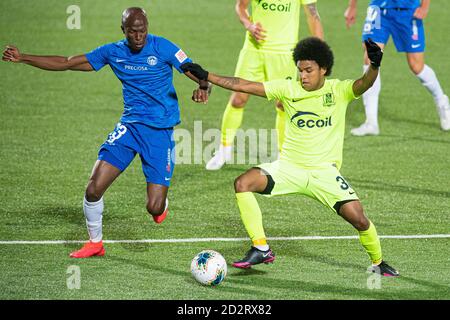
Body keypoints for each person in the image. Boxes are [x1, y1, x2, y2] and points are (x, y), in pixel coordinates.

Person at [182, 37, 399, 276]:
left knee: (359, 219)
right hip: (289, 169)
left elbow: (364, 84)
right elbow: (243, 85)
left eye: (308, 71)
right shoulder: (288, 89)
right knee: (243, 183)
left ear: (323, 69)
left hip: (324, 173)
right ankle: (261, 247)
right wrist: (207, 75)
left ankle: (378, 263)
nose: (303, 76)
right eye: (300, 71)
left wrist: (375, 66)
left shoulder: (339, 90)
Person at [2, 7, 209, 258]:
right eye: (133, 31)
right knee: (93, 189)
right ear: (123, 31)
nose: (139, 36)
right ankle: (95, 243)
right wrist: (23, 57)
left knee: (154, 207)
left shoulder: (163, 47)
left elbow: (191, 66)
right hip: (129, 128)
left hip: (159, 132)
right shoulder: (113, 52)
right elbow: (67, 63)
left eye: (142, 30)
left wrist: (203, 86)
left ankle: (160, 205)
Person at [206, 0, 324, 170]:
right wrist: (249, 25)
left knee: (283, 105)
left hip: (285, 54)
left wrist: (320, 52)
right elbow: (241, 6)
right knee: (238, 99)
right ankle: (224, 150)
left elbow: (312, 14)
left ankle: (283, 157)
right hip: (254, 51)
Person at [345, 0, 450, 135]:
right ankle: (371, 122)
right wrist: (352, 6)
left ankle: (441, 101)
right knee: (371, 57)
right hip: (378, 10)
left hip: (407, 12)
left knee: (416, 66)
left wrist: (425, 6)